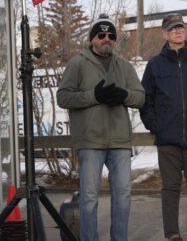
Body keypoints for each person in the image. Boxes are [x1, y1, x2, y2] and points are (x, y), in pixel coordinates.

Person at [57, 15, 145, 241]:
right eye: (101, 35)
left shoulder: (124, 66)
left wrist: (124, 95)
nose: (106, 39)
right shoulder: (77, 63)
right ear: (92, 38)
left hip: (120, 141)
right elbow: (63, 97)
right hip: (90, 141)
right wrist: (93, 96)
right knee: (88, 198)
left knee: (123, 196)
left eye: (111, 36)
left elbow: (141, 97)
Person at [139, 14, 187, 241]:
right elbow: (146, 100)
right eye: (172, 29)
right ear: (165, 34)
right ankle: (172, 234)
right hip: (168, 140)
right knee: (170, 189)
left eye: (180, 28)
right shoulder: (154, 65)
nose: (177, 32)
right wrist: (156, 126)